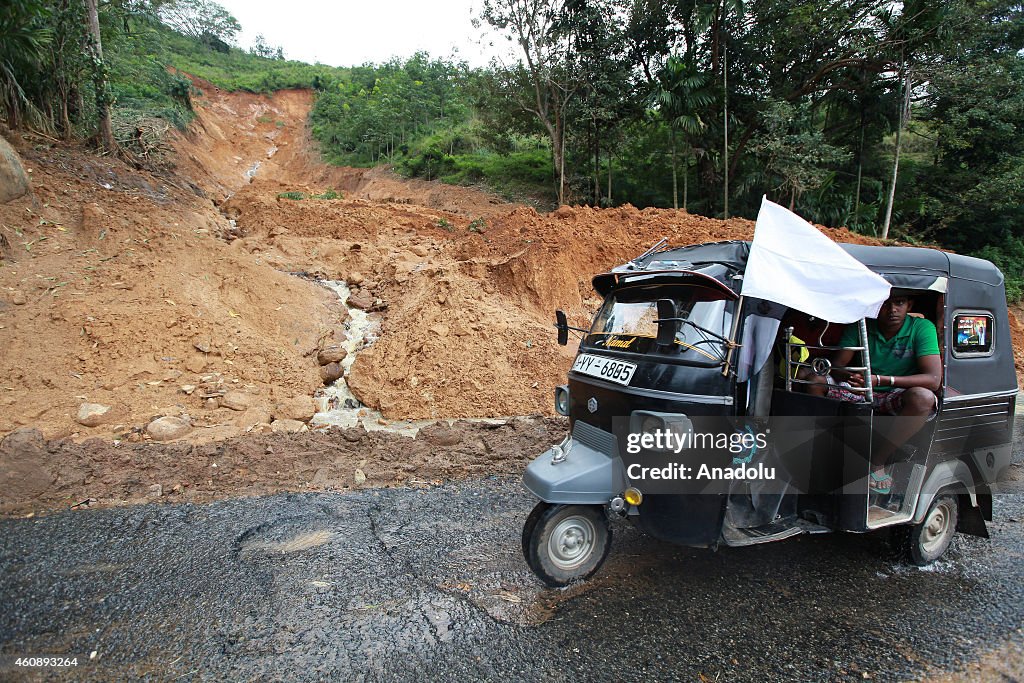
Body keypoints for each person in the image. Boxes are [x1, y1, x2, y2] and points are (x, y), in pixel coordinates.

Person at [829, 294, 942, 495]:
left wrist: (881, 380)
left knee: (923, 398)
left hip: (897, 394)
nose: (892, 310)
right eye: (884, 304)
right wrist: (856, 377)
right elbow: (837, 366)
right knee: (811, 380)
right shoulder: (861, 324)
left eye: (899, 303)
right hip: (861, 389)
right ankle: (824, 452)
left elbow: (933, 379)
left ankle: (877, 460)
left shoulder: (922, 328)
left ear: (909, 304)